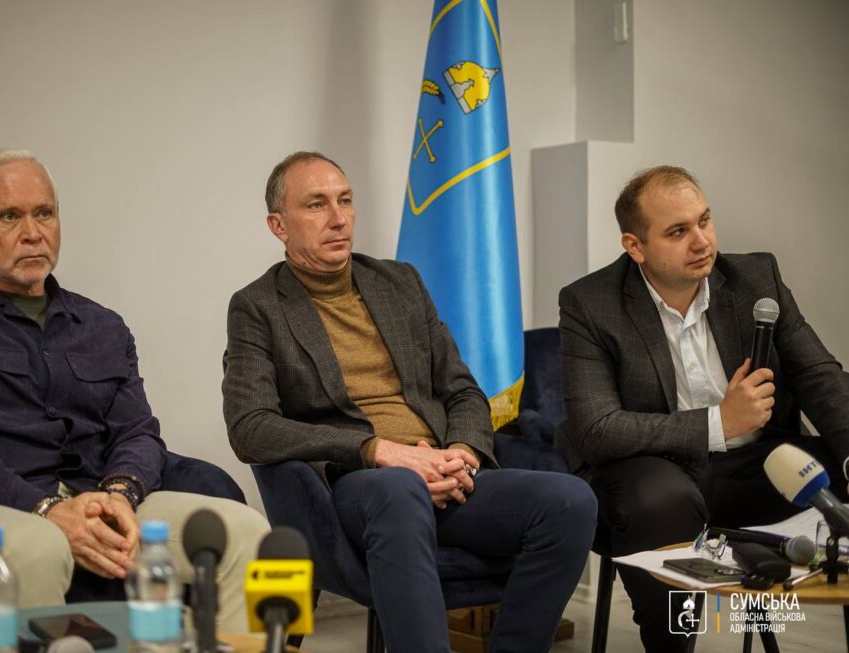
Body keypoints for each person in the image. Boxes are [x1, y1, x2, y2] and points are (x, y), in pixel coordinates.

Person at [223, 151, 597, 653]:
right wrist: (380, 451)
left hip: (441, 471)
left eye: (345, 200)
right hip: (355, 486)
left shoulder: (399, 282)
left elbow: (462, 389)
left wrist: (461, 454)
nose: (338, 218)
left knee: (570, 502)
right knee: (399, 488)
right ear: (278, 225)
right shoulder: (257, 307)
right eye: (316, 204)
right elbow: (250, 427)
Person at [0, 149, 269, 630]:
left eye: (44, 213)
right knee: (39, 549)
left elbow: (138, 432)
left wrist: (120, 494)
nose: (32, 232)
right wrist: (45, 509)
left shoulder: (102, 326)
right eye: (9, 216)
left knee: (245, 534)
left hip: (95, 496)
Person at [557, 165, 849, 651]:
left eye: (704, 221)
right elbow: (598, 428)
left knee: (838, 469)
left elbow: (820, 376)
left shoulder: (756, 278)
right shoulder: (590, 303)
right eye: (678, 232)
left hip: (753, 467)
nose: (702, 241)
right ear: (635, 246)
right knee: (662, 499)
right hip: (651, 473)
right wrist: (719, 422)